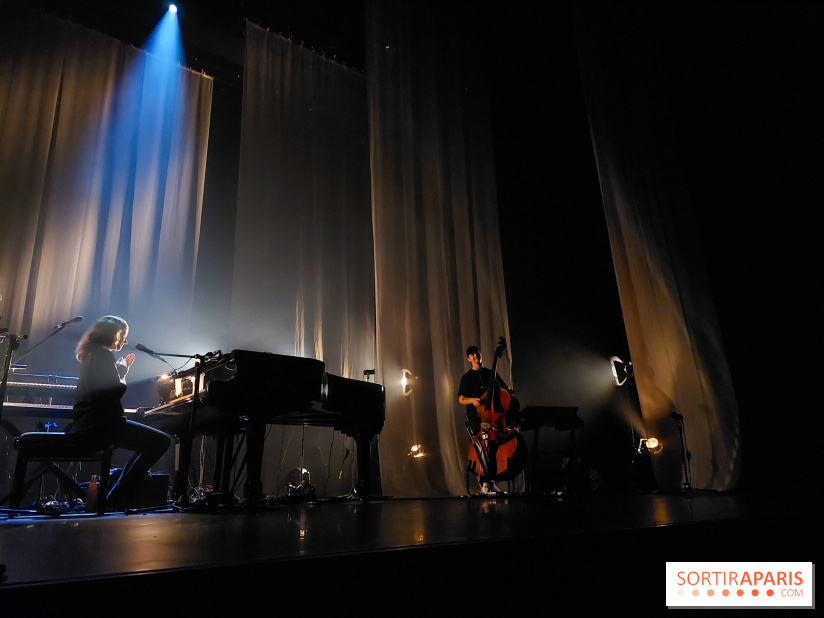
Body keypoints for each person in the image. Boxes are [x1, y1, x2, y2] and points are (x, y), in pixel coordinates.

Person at [71, 315, 171, 509]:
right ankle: (115, 497)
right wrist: (122, 375)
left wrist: (119, 374)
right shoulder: (103, 355)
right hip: (103, 425)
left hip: (92, 423)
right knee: (162, 442)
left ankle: (115, 495)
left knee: (150, 444)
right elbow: (115, 391)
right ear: (112, 333)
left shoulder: (92, 353)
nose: (125, 341)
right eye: (123, 335)